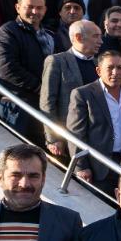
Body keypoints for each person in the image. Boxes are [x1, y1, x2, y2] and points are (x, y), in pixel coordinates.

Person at [67, 52, 121, 194]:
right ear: (99, 71)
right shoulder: (83, 94)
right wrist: (81, 166)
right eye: (110, 67)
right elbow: (76, 134)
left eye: (120, 67)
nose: (115, 72)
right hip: (97, 166)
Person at [0, 0, 56, 141]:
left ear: (45, 9)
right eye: (29, 7)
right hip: (17, 103)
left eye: (39, 8)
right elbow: (7, 69)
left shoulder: (50, 35)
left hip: (43, 104)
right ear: (17, 8)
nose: (34, 11)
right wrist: (40, 88)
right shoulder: (7, 32)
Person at [40, 20, 102, 158]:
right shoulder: (57, 61)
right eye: (96, 36)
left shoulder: (99, 63)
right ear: (79, 37)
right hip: (68, 137)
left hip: (96, 136)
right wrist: (54, 138)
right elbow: (47, 102)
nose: (100, 41)